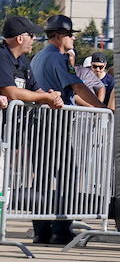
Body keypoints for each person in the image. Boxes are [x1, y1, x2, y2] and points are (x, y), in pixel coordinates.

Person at [27, 14, 100, 245]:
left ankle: (41, 230)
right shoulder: (59, 59)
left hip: (39, 122)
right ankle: (61, 229)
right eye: (69, 35)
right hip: (56, 123)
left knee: (42, 177)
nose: (72, 39)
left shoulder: (37, 57)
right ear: (58, 36)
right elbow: (77, 87)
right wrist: (102, 108)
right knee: (68, 176)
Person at [0, 16, 60, 109]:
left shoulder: (23, 59)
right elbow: (11, 93)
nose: (35, 38)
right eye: (31, 35)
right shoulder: (2, 56)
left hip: (16, 122)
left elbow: (36, 90)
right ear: (20, 39)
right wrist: (46, 97)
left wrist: (52, 98)